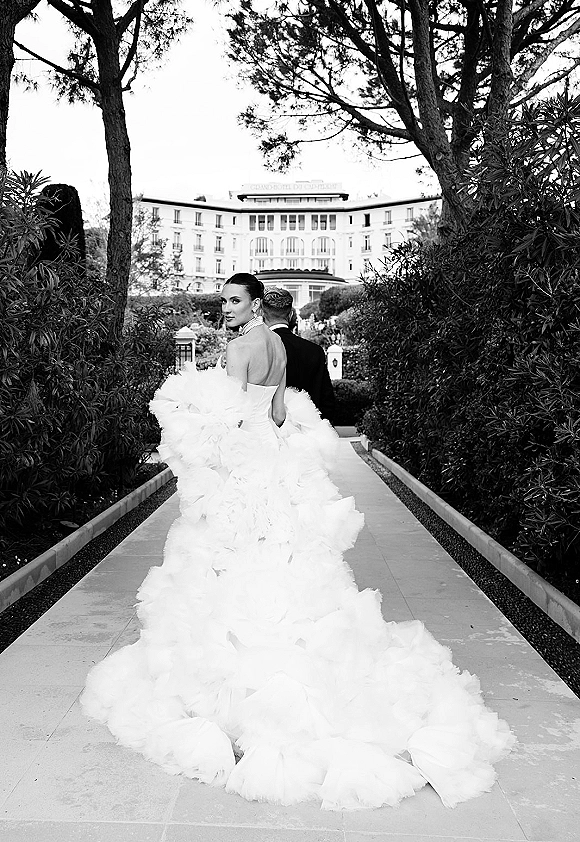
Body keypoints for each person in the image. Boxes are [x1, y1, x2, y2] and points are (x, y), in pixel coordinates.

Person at [81, 272, 514, 811]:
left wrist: (205, 444)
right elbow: (280, 413)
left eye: (234, 300)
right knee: (289, 556)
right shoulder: (278, 349)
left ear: (255, 303)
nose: (228, 308)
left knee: (232, 560)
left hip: (244, 469)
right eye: (225, 301)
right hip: (275, 464)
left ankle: (244, 668)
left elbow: (232, 423)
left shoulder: (239, 349)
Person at [261, 287, 336, 422]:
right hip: (309, 430)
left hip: (270, 430)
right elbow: (327, 401)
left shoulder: (259, 348)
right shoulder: (315, 351)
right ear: (290, 315)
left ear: (262, 315)